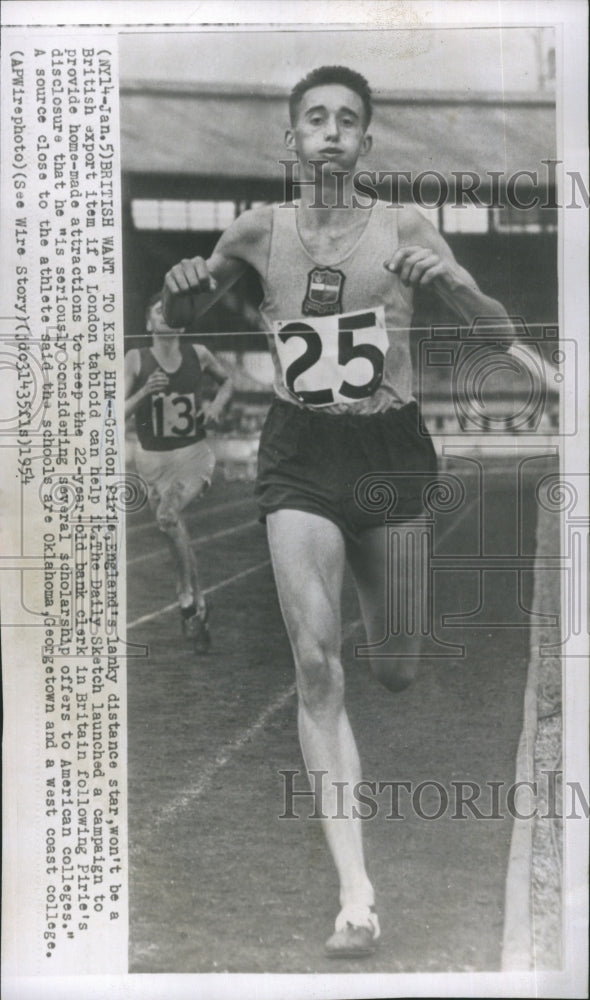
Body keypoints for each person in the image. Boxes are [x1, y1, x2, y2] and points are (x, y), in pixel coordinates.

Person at [161, 66, 515, 956]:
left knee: (395, 664)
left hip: (389, 454)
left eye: (346, 121)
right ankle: (356, 895)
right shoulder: (256, 230)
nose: (329, 133)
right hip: (300, 455)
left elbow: (500, 332)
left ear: (366, 141)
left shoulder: (403, 225)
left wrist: (449, 281)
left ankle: (367, 587)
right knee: (317, 669)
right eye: (314, 119)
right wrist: (178, 285)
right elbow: (170, 313)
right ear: (292, 139)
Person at [125, 294, 233, 653]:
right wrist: (144, 391)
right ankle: (200, 606)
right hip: (151, 460)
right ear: (149, 324)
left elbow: (228, 381)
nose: (166, 314)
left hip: (192, 456)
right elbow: (111, 412)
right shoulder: (136, 359)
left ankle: (186, 602)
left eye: (171, 310)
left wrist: (216, 405)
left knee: (168, 517)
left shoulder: (198, 354)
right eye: (159, 309)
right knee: (172, 530)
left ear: (180, 322)